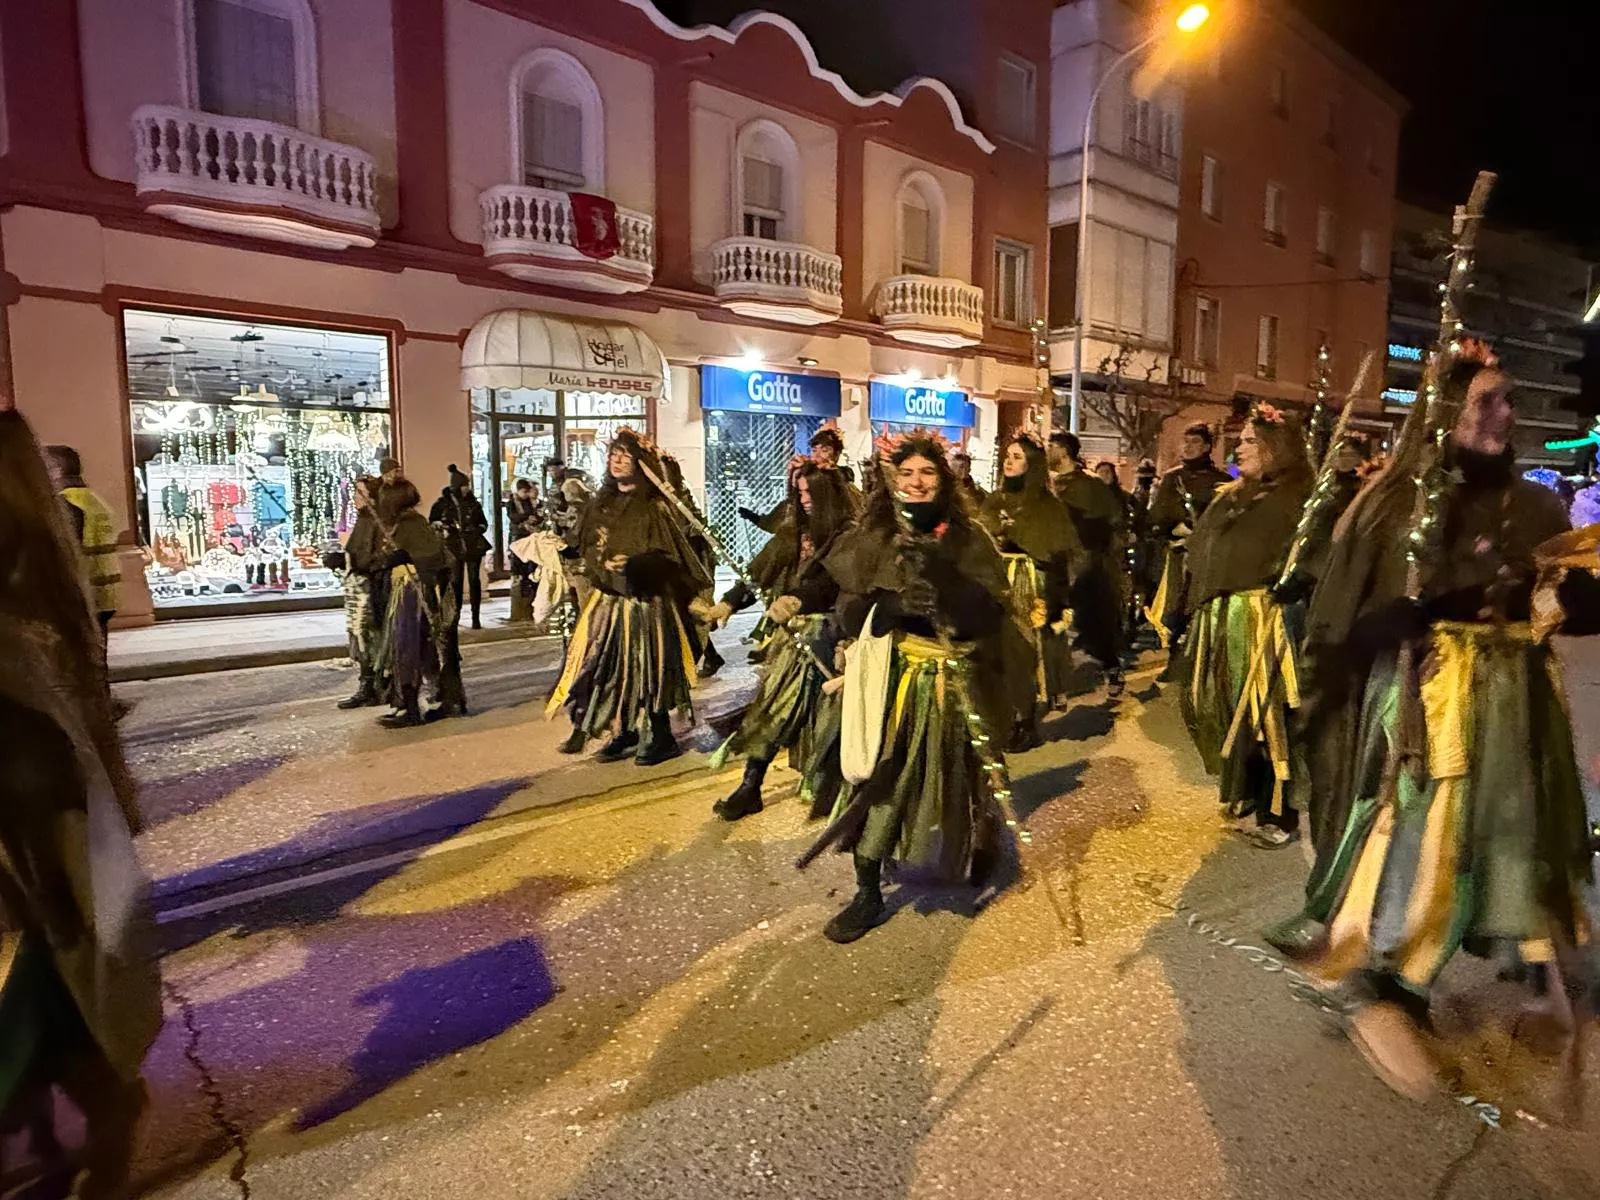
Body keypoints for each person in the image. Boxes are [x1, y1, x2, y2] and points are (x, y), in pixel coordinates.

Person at [1271, 361, 1600, 1098]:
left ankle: (1536, 969)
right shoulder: (1402, 506)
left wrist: (1579, 600)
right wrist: (1389, 624)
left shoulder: (1539, 504)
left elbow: (1566, 604)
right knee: (1421, 838)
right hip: (1435, 699)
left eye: (1510, 399)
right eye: (1486, 401)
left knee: (1519, 834)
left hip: (1521, 699)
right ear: (1446, 412)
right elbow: (1344, 614)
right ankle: (1386, 983)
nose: (1505, 413)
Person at [0, 412, 160, 1197]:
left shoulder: (33, 545)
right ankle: (93, 1108)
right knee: (58, 970)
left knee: (54, 964)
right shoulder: (45, 537)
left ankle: (95, 1109)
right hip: (43, 805)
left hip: (39, 804)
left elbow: (53, 704)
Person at [807, 434, 1010, 943]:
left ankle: (980, 838)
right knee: (879, 776)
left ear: (944, 480)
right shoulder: (873, 535)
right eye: (906, 473)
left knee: (970, 771)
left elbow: (994, 610)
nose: (917, 483)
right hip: (894, 677)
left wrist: (952, 594)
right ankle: (867, 889)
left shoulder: (969, 537)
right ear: (892, 481)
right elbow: (848, 607)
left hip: (954, 675)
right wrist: (889, 607)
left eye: (927, 473)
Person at [1180, 405, 1314, 848]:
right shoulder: (1230, 495)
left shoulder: (1300, 498)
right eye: (1239, 441)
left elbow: (1317, 557)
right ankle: (1248, 791)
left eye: (1250, 441)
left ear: (1277, 447)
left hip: (1264, 619)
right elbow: (1202, 552)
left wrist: (1295, 580)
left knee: (1268, 720)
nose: (1239, 448)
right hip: (1222, 620)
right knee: (1217, 710)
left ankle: (1279, 812)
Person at [546, 428, 710, 765]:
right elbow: (585, 544)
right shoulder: (600, 504)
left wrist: (636, 565)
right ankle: (623, 731)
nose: (617, 461)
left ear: (640, 463)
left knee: (649, 668)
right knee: (611, 671)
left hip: (646, 603)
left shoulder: (654, 508)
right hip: (608, 602)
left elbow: (671, 558)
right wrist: (594, 561)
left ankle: (661, 734)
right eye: (613, 455)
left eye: (626, 456)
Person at [704, 463, 856, 819]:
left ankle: (837, 791)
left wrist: (798, 600)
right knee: (775, 708)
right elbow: (760, 570)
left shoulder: (848, 536)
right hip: (794, 638)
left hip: (831, 635)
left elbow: (834, 584)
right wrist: (730, 602)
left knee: (832, 720)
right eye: (798, 493)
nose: (804, 500)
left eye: (810, 493)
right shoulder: (792, 533)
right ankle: (751, 785)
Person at [977, 434, 1081, 750]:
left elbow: (1057, 554)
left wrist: (1055, 604)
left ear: (1032, 464)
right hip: (995, 583)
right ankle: (1001, 716)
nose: (1009, 462)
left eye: (1018, 457)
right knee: (993, 653)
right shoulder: (994, 500)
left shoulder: (1047, 506)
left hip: (1027, 586)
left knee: (1023, 653)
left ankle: (1025, 719)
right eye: (1008, 456)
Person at [374, 476, 466, 727]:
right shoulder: (404, 523)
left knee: (410, 647)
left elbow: (431, 557)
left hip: (414, 595)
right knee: (413, 649)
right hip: (407, 591)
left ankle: (413, 707)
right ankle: (414, 702)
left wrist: (405, 558)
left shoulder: (411, 524)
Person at [1048, 432, 1127, 695]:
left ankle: (1111, 667)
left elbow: (1113, 519)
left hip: (1084, 563)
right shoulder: (1046, 484)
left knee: (1091, 622)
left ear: (1064, 451)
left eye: (1051, 446)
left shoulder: (1090, 485)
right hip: (1052, 562)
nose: (1048, 451)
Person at [1146, 424, 1232, 659]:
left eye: (1195, 442)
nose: (1188, 447)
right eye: (1186, 441)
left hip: (1207, 556)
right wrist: (1172, 528)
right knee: (1174, 609)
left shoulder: (1221, 481)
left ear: (1206, 447)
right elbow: (1156, 516)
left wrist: (1199, 532)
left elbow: (1223, 518)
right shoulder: (1172, 478)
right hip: (1177, 555)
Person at [43, 444, 122, 643]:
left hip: (81, 594)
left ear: (57, 471)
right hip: (105, 594)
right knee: (96, 647)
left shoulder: (65, 503)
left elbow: (64, 550)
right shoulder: (94, 500)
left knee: (78, 650)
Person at [331, 475, 387, 709]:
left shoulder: (376, 520)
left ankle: (372, 686)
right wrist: (341, 560)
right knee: (359, 634)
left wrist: (351, 561)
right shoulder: (364, 519)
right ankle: (370, 684)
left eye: (359, 493)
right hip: (358, 586)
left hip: (369, 588)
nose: (355, 497)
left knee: (367, 636)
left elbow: (376, 556)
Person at [430, 465, 491, 630]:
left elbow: (483, 523)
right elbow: (432, 521)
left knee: (474, 581)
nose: (467, 488)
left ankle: (475, 617)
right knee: (455, 581)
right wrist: (444, 526)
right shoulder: (442, 504)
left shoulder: (473, 503)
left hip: (473, 545)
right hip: (453, 545)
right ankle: (454, 617)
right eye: (464, 485)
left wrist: (476, 529)